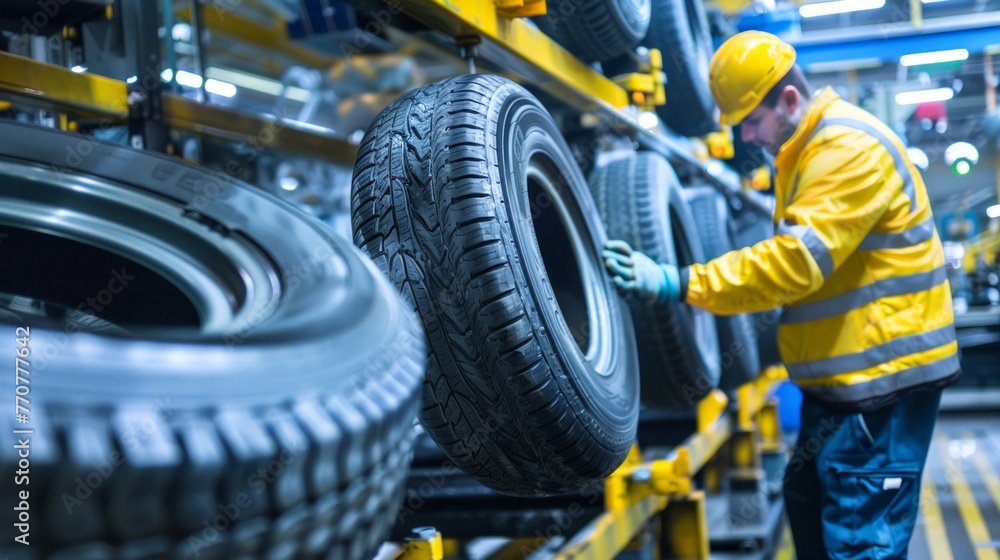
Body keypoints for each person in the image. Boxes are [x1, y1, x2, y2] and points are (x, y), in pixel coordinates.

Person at [603, 30, 961, 559]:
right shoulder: (805, 149)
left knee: (860, 541)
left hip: (882, 386)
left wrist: (680, 282)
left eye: (752, 121)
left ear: (789, 100)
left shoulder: (844, 148)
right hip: (842, 384)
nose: (747, 137)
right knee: (810, 508)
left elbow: (794, 263)